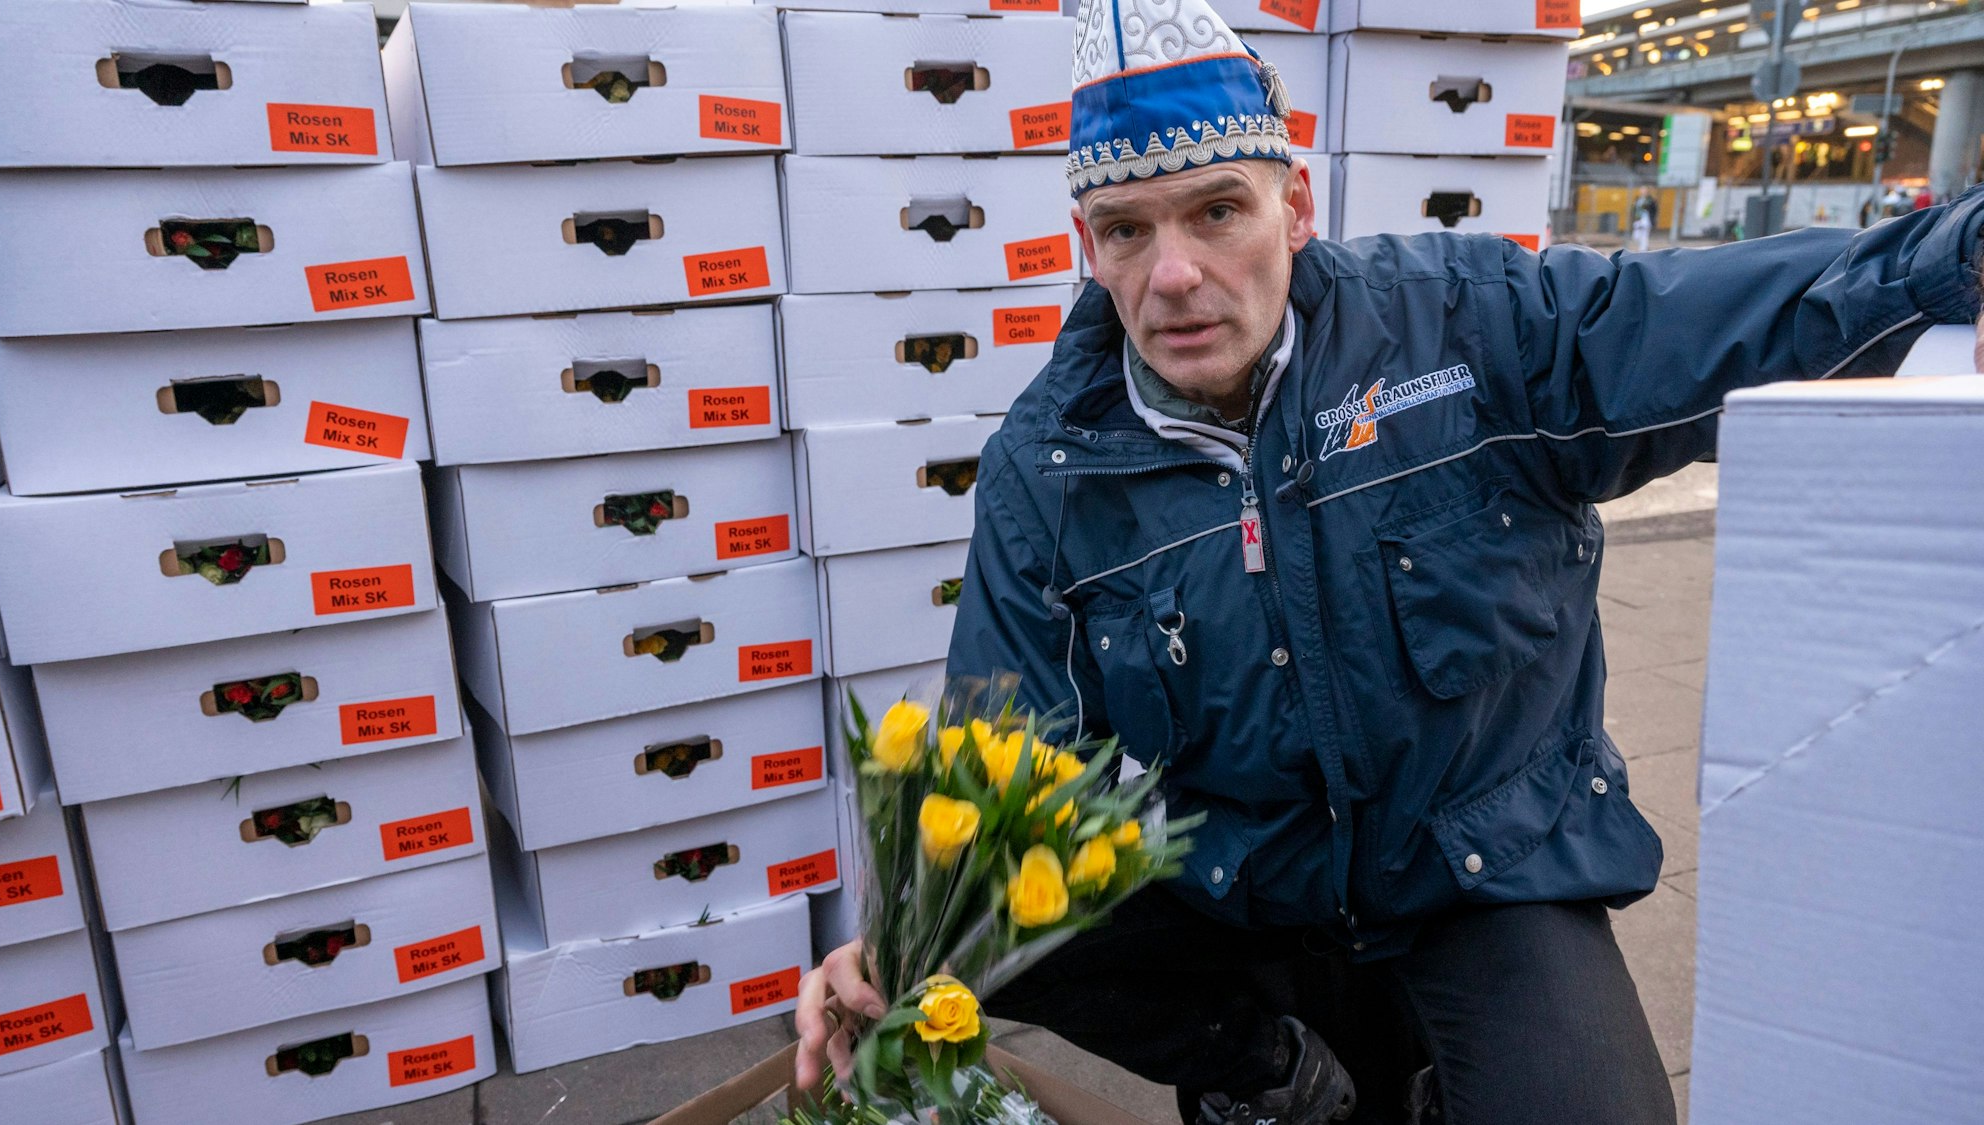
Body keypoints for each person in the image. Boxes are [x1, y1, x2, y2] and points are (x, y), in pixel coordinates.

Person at [797, 0, 1984, 1121]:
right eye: (1126, 230)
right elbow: (1001, 764)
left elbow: (1725, 314)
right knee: (1008, 930)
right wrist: (904, 941)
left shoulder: (1468, 328)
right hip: (1234, 899)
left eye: (1216, 212)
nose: (1173, 276)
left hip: (1476, 871)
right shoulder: (1046, 465)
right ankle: (1267, 1073)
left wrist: (1958, 258)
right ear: (1086, 247)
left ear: (1294, 206)